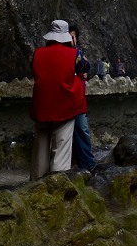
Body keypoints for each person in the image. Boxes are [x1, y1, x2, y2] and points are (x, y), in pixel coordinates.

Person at [30, 19, 86, 180]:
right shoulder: (74, 55)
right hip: (65, 106)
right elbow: (85, 67)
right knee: (61, 148)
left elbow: (33, 68)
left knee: (40, 149)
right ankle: (57, 184)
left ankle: (35, 185)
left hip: (42, 106)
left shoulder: (38, 53)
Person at [68, 22, 97, 172]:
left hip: (78, 100)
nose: (70, 39)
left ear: (76, 39)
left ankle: (87, 165)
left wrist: (86, 74)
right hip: (66, 100)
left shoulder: (78, 55)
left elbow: (86, 70)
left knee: (82, 130)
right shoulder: (71, 55)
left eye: (72, 37)